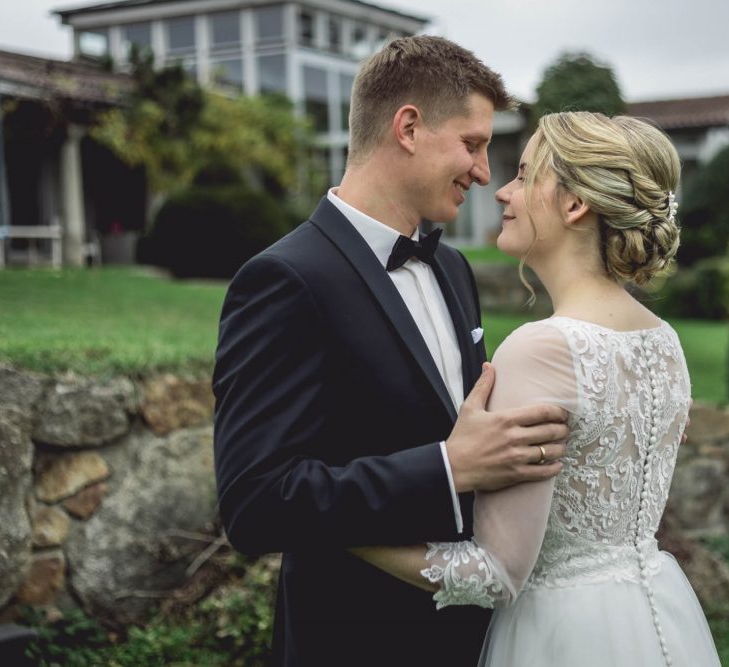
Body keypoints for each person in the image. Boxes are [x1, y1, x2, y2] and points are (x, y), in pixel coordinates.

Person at [211, 36, 571, 667]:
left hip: (470, 640)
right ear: (408, 127)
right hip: (351, 640)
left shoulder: (453, 269)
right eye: (473, 144)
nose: (485, 172)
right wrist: (447, 468)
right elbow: (256, 503)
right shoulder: (284, 280)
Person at [351, 112, 721, 666]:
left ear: (574, 205)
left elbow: (495, 575)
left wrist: (338, 530)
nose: (502, 190)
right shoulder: (663, 341)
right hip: (653, 617)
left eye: (524, 176)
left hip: (566, 635)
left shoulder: (544, 348)